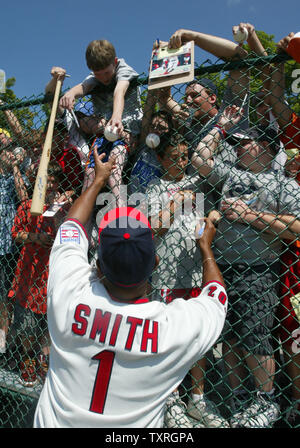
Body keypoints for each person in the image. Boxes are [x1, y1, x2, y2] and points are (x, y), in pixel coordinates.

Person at [33, 147, 228, 428]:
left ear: (98, 266)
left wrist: (98, 180)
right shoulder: (171, 327)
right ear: (156, 262)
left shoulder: (69, 292)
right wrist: (206, 249)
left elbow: (72, 225)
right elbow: (216, 296)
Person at [191, 104, 300, 428]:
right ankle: (239, 400)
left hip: (258, 269)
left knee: (255, 335)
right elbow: (199, 159)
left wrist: (251, 217)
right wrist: (221, 127)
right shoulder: (232, 173)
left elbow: (298, 226)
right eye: (235, 143)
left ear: (265, 147)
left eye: (245, 142)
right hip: (223, 267)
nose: (237, 148)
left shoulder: (282, 184)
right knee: (231, 338)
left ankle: (266, 402)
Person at [146, 132, 229, 428]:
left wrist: (213, 216)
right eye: (174, 157)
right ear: (160, 158)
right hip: (166, 273)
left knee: (196, 337)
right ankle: (170, 399)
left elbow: (220, 204)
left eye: (184, 157)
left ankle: (197, 399)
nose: (182, 163)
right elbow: (155, 227)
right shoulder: (155, 186)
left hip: (194, 270)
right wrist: (174, 204)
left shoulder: (198, 182)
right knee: (168, 336)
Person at [7, 162, 71, 387]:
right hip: (29, 272)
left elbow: (68, 232)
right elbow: (16, 234)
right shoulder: (27, 205)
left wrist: (61, 210)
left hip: (51, 271)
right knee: (26, 323)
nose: (51, 185)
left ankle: (43, 359)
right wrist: (35, 238)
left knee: (47, 321)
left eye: (55, 182)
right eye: (47, 181)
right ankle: (27, 359)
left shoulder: (61, 207)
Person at [59, 39, 143, 204]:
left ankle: (121, 214)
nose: (103, 78)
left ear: (115, 62)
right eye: (98, 74)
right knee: (90, 175)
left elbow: (120, 90)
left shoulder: (124, 69)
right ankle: (83, 222)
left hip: (126, 129)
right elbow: (84, 86)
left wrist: (117, 116)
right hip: (104, 132)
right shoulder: (95, 77)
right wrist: (71, 93)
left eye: (106, 72)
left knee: (114, 172)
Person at [267, 32, 300, 427]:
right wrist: (278, 59)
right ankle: (295, 401)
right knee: (292, 328)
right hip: (293, 247)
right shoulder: (295, 129)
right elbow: (275, 99)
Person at [0, 137, 29, 355]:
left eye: (10, 149)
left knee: (4, 294)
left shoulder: (12, 178)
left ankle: (4, 335)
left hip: (6, 247)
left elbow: (24, 197)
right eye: (4, 149)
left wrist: (16, 166)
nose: (8, 153)